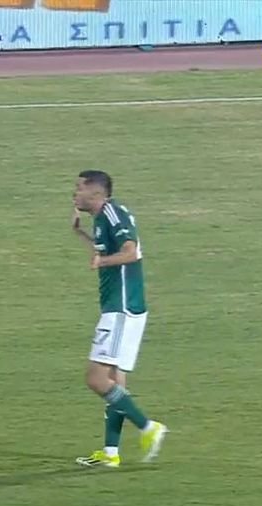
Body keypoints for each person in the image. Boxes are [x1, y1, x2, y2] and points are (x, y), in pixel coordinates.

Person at [70, 170, 168, 468]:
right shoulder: (102, 218)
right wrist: (81, 234)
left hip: (120, 309)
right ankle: (111, 453)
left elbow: (130, 252)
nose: (74, 193)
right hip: (125, 308)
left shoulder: (112, 214)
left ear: (96, 193)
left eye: (79, 188)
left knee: (97, 379)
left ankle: (148, 427)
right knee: (116, 383)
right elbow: (103, 252)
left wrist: (102, 261)